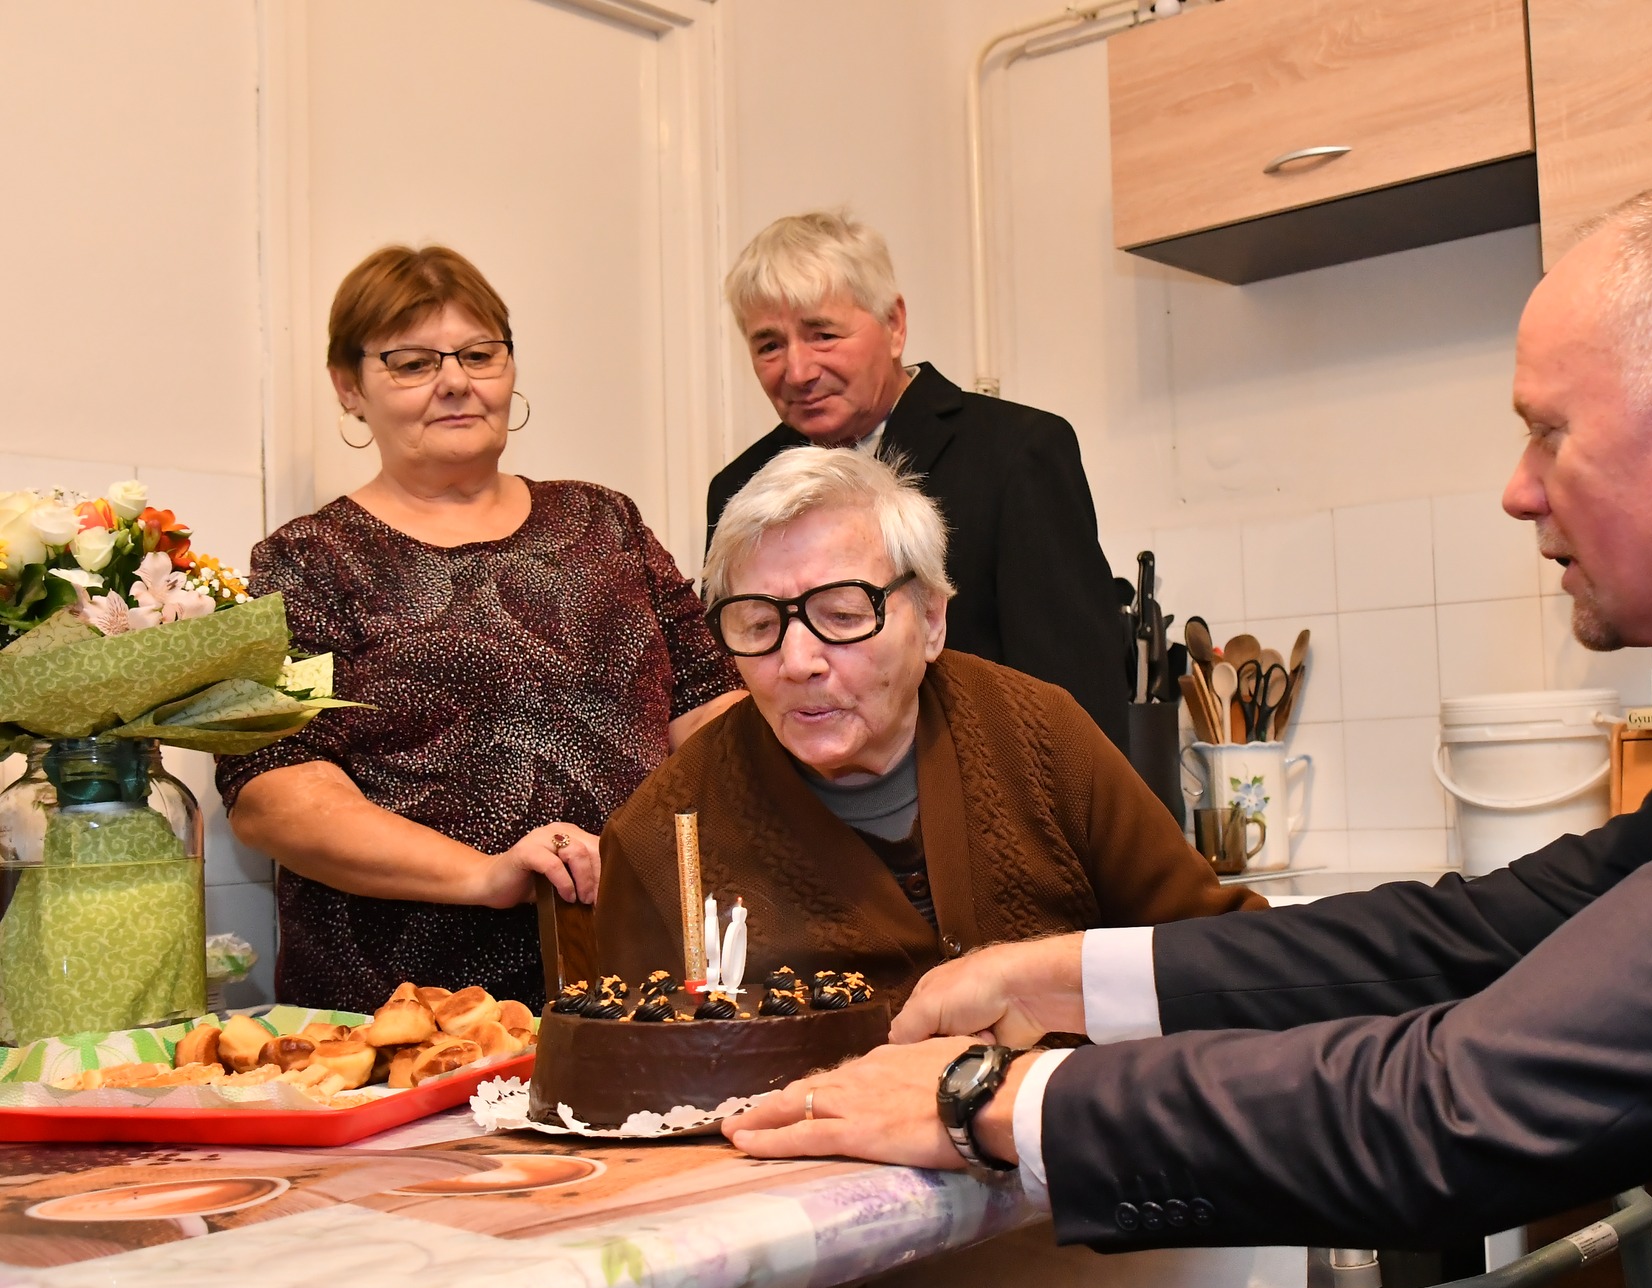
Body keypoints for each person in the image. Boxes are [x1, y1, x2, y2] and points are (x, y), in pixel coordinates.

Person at [723, 177, 1652, 1288]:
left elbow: (1471, 1100)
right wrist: (1061, 976)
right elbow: (1486, 936)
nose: (1518, 491)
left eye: (1548, 433)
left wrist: (989, 1099)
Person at [219, 245, 743, 1013]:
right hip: (406, 1012)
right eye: (412, 363)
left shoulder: (606, 521)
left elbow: (712, 714)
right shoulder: (308, 561)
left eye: (478, 354)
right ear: (348, 386)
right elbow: (273, 791)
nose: (455, 381)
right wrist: (488, 875)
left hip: (638, 980)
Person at [597, 445, 1257, 1004]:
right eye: (759, 624)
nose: (796, 662)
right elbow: (627, 1079)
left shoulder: (1037, 734)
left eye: (843, 615)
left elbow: (1215, 954)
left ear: (932, 619)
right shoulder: (661, 838)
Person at [707, 211, 1131, 744]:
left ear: (894, 325)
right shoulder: (739, 488)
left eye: (823, 335)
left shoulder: (1015, 452)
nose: (798, 371)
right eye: (769, 345)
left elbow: (1077, 694)